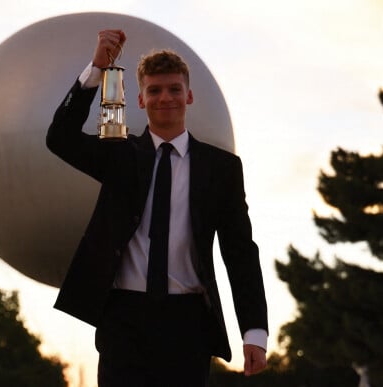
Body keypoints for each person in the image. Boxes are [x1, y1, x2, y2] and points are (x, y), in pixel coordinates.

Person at [46, 29, 268, 386]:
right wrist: (96, 70)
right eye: (155, 90)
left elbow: (240, 252)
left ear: (189, 95)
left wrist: (254, 330)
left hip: (189, 323)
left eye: (174, 89)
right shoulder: (119, 154)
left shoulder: (221, 169)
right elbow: (60, 138)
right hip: (123, 319)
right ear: (141, 99)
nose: (165, 98)